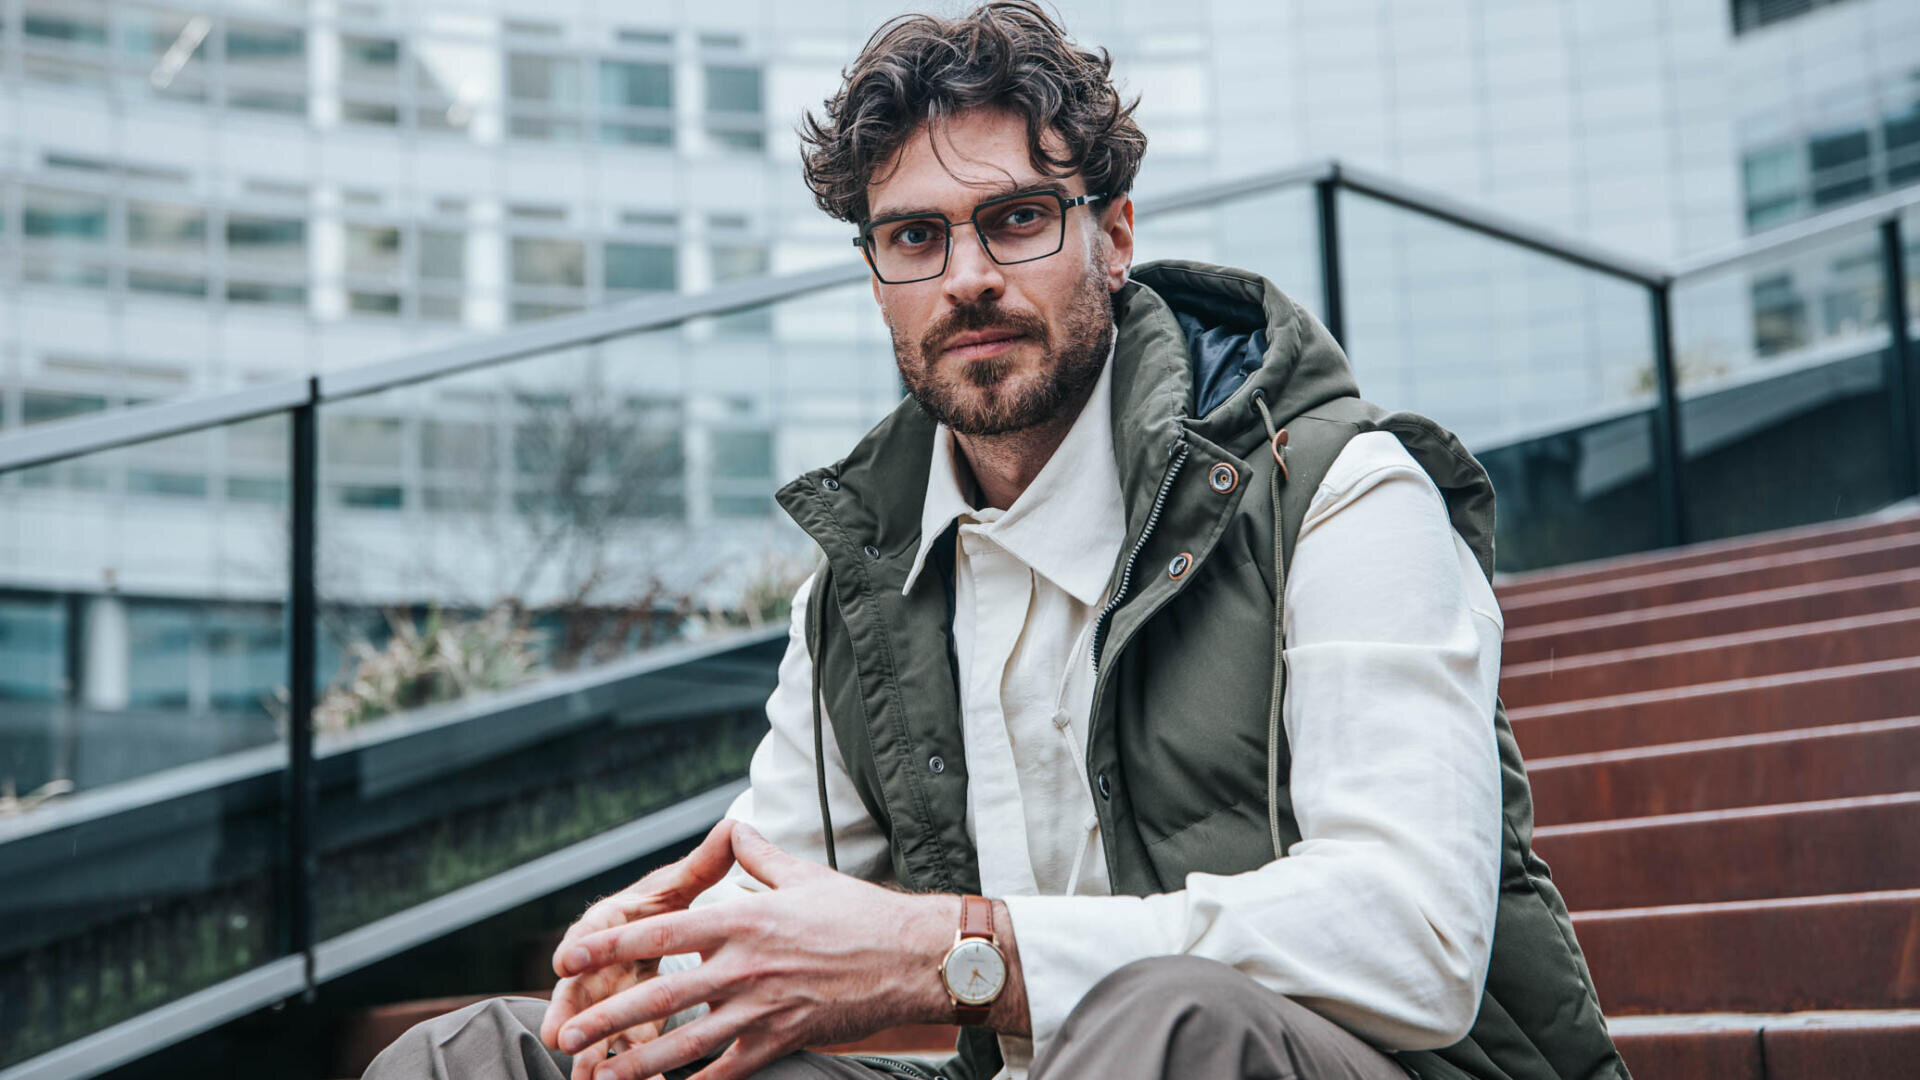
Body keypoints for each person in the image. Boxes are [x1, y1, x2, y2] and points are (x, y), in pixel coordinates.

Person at [365, 4, 1627, 1080]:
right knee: (475, 1055)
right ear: (877, 282)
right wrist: (641, 977)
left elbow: (1413, 935)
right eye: (916, 237)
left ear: (1112, 235)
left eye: (1016, 219)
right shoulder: (861, 590)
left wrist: (957, 952)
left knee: (1167, 1024)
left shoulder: (1338, 491)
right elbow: (780, 921)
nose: (967, 273)